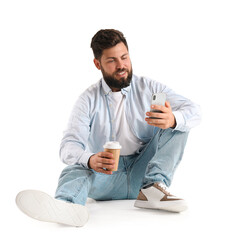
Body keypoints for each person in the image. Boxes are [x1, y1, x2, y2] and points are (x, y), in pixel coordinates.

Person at [16, 29, 201, 227]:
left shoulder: (150, 88)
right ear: (98, 64)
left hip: (144, 173)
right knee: (75, 167)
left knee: (179, 123)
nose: (121, 66)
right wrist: (90, 159)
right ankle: (68, 206)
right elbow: (68, 146)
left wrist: (172, 119)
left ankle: (152, 191)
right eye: (112, 60)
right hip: (106, 175)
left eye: (124, 57)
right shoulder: (87, 99)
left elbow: (194, 111)